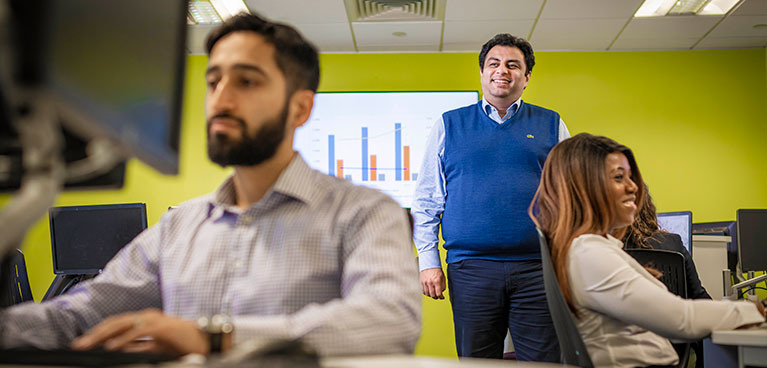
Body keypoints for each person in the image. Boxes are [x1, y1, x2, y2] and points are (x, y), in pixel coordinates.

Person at [0, 12, 421, 357]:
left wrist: (213, 336)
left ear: (299, 108)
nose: (220, 99)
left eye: (246, 81)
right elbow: (79, 313)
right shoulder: (179, 226)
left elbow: (390, 320)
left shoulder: (365, 212)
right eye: (213, 80)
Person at [530, 133, 765, 368]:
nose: (633, 187)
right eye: (619, 177)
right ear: (585, 187)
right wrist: (755, 310)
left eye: (630, 177)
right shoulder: (589, 253)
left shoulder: (589, 249)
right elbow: (682, 320)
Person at [411, 33, 568, 361]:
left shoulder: (552, 124)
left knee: (544, 362)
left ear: (526, 78)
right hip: (470, 268)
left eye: (514, 65)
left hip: (538, 269)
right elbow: (427, 199)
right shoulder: (449, 125)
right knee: (477, 361)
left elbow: (571, 196)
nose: (502, 70)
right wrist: (428, 263)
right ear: (482, 73)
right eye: (494, 63)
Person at [623, 187, 711, 300]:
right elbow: (699, 296)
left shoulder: (610, 248)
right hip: (673, 315)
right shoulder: (672, 242)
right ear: (648, 207)